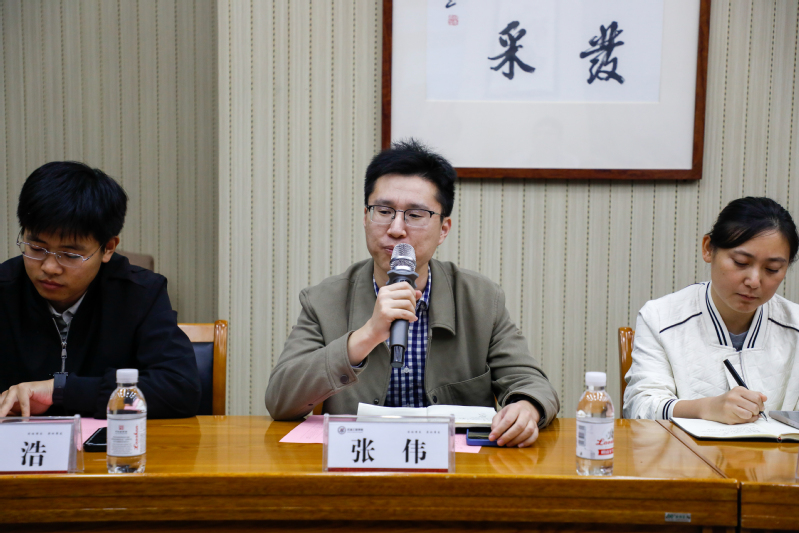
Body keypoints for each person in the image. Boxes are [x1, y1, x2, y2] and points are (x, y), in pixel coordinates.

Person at [265, 139, 559, 447]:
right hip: (360, 462)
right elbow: (281, 401)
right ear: (366, 217)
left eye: (415, 215)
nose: (396, 228)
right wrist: (365, 336)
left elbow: (532, 383)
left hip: (455, 468)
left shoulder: (482, 299)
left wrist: (527, 407)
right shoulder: (324, 300)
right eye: (383, 211)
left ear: (443, 229)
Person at [0, 161, 201, 419]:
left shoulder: (140, 293)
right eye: (37, 248)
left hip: (113, 442)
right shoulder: (5, 288)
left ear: (108, 248)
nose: (49, 267)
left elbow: (180, 390)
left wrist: (62, 391)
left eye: (70, 255)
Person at [624, 197, 799, 423]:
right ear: (708, 249)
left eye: (772, 269)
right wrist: (705, 408)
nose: (754, 281)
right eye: (741, 262)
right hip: (682, 448)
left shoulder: (795, 324)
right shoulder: (660, 317)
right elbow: (640, 407)